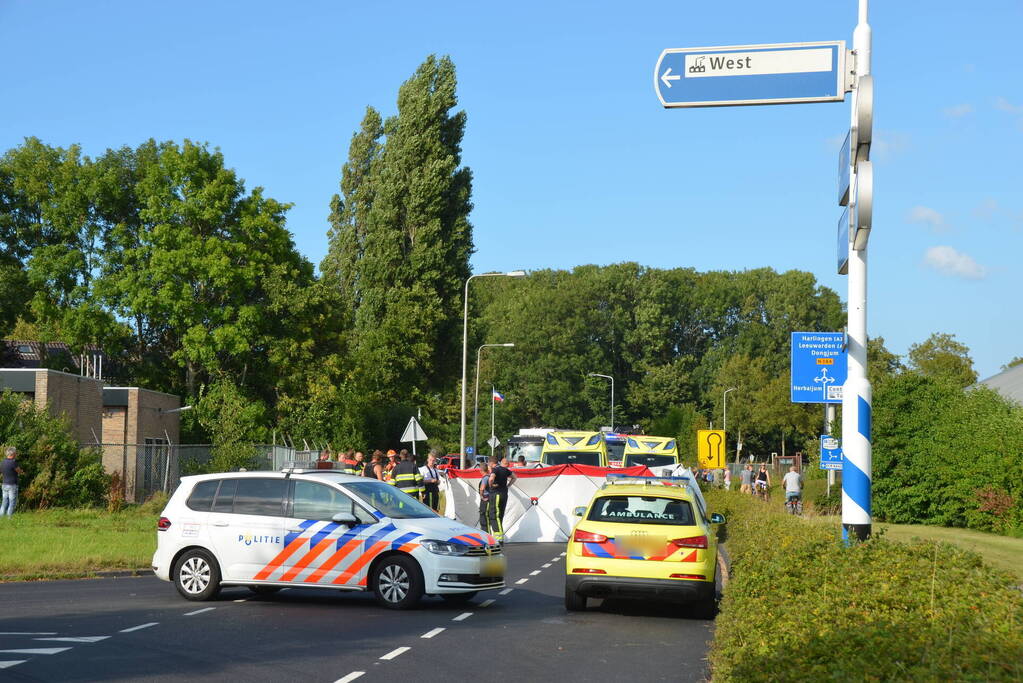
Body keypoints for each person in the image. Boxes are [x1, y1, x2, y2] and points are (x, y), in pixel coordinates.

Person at [487, 455, 517, 542]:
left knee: (494, 514)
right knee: (500, 515)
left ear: (491, 463)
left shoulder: (495, 469)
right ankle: (499, 537)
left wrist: (491, 485)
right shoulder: (506, 470)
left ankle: (499, 538)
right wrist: (508, 485)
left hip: (496, 494)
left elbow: (491, 479)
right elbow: (514, 477)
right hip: (504, 494)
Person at [1, 446, 23, 517]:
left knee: (4, 502)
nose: (16, 454)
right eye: (15, 453)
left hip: (4, 484)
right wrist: (22, 472)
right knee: (12, 502)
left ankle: (1, 516)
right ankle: (9, 517)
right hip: (12, 485)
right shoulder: (13, 463)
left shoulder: (2, 462)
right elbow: (19, 471)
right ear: (13, 454)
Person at [478, 463, 492, 531]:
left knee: (484, 520)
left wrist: (482, 497)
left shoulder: (485, 478)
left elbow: (482, 489)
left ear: (481, 470)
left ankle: (487, 537)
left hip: (486, 501)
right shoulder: (490, 477)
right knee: (485, 520)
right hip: (489, 500)